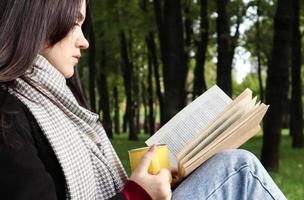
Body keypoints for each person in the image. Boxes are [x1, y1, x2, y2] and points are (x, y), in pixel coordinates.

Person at [0, 0, 287, 199]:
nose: (83, 41)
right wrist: (136, 195)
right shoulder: (8, 117)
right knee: (238, 169)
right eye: (74, 24)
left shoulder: (51, 101)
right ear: (38, 22)